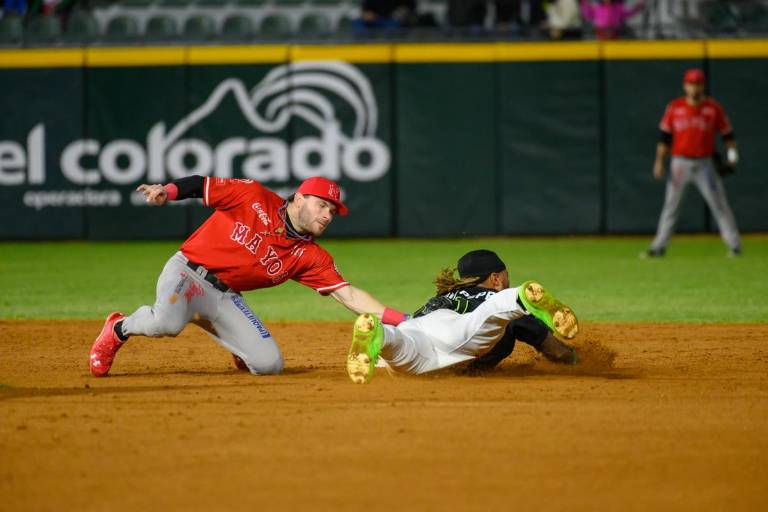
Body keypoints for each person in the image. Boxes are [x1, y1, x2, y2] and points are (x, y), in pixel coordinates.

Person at [89, 175, 410, 377]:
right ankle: (118, 327)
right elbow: (201, 186)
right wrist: (167, 191)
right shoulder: (253, 196)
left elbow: (350, 295)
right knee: (166, 324)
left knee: (269, 365)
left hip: (225, 296)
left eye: (333, 211)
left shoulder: (310, 256)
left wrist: (402, 319)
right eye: (323, 205)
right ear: (299, 198)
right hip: (187, 273)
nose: (328, 215)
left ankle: (237, 340)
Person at [346, 249, 580, 383]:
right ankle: (518, 297)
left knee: (400, 345)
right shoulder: (494, 300)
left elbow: (417, 320)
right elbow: (556, 352)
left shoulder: (443, 296)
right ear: (496, 278)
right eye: (506, 277)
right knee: (487, 319)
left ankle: (381, 333)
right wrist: (577, 360)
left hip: (419, 333)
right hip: (453, 339)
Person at [642, 68, 742, 258]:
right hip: (680, 163)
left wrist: (732, 156)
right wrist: (659, 162)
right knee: (671, 205)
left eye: (697, 84)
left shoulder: (713, 109)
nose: (694, 87)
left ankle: (734, 245)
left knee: (719, 204)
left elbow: (728, 135)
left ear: (703, 85)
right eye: (691, 84)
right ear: (685, 85)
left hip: (706, 164)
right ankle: (658, 247)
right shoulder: (675, 107)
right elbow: (664, 138)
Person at [580, 0, 645, 40]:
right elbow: (588, 14)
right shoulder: (598, 8)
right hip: (601, 31)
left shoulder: (617, 7)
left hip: (614, 31)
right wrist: (584, 3)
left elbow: (629, 13)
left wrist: (639, 6)